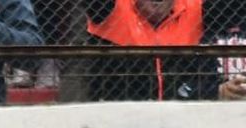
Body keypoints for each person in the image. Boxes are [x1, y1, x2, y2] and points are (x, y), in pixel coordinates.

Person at [82, 0, 246, 100]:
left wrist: (219, 92)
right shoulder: (111, 8)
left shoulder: (195, 8)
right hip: (119, 116)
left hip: (180, 118)